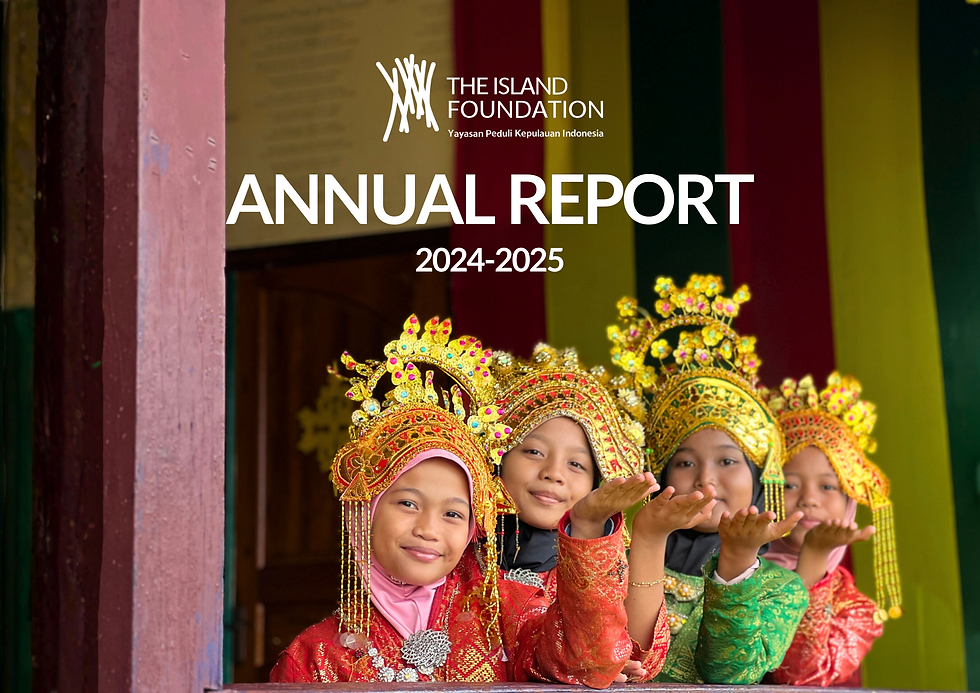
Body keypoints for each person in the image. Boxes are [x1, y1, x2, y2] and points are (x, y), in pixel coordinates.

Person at [269, 315, 656, 686]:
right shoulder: (313, 657)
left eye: (453, 513)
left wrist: (587, 526)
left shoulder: (506, 609)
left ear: (475, 522)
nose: (428, 529)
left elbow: (589, 662)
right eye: (407, 504)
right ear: (364, 511)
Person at [608, 275, 809, 684]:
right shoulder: (611, 557)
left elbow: (729, 675)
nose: (705, 478)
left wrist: (735, 565)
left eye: (728, 462)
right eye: (684, 464)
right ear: (660, 475)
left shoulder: (781, 588)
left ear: (759, 477)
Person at [489, 345, 671, 681]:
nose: (554, 473)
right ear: (497, 458)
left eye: (575, 464)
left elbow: (643, 658)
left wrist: (650, 537)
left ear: (595, 482)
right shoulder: (453, 559)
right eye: (532, 451)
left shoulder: (605, 567)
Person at [762, 373, 902, 686]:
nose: (809, 499)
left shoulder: (855, 609)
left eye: (828, 486)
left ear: (850, 501)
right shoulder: (733, 573)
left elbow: (798, 676)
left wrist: (814, 557)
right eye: (789, 485)